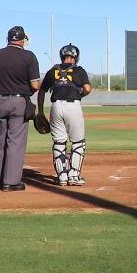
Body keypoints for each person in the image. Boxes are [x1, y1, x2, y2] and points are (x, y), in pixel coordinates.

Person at [0, 25, 41, 191]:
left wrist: (3, 85)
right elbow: (35, 84)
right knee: (15, 142)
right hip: (19, 101)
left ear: (8, 38)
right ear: (23, 40)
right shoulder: (29, 56)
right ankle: (11, 182)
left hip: (0, 100)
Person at [37, 43, 92, 186]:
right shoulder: (79, 70)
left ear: (62, 56)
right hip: (72, 106)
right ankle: (74, 175)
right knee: (78, 142)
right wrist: (80, 94)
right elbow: (87, 88)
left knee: (59, 142)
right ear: (76, 57)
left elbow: (42, 91)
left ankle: (62, 176)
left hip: (55, 107)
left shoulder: (52, 70)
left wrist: (41, 111)